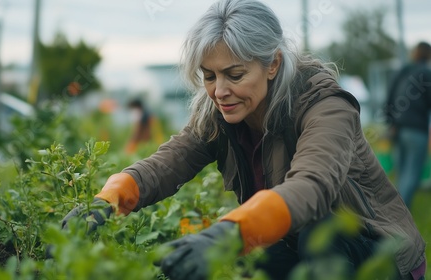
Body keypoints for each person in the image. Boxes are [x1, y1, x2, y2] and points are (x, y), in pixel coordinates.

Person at [62, 0, 426, 279]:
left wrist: (228, 235)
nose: (219, 91)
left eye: (234, 74)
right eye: (208, 76)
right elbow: (168, 163)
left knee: (319, 235)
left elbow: (312, 186)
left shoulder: (325, 108)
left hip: (376, 252)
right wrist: (109, 200)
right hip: (297, 246)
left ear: (272, 64)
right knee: (260, 259)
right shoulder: (220, 115)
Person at [385, 41, 431, 208]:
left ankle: (391, 213)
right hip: (416, 130)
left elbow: (389, 96)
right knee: (412, 174)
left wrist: (389, 122)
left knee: (401, 173)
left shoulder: (402, 71)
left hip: (397, 127)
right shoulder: (427, 73)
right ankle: (401, 215)